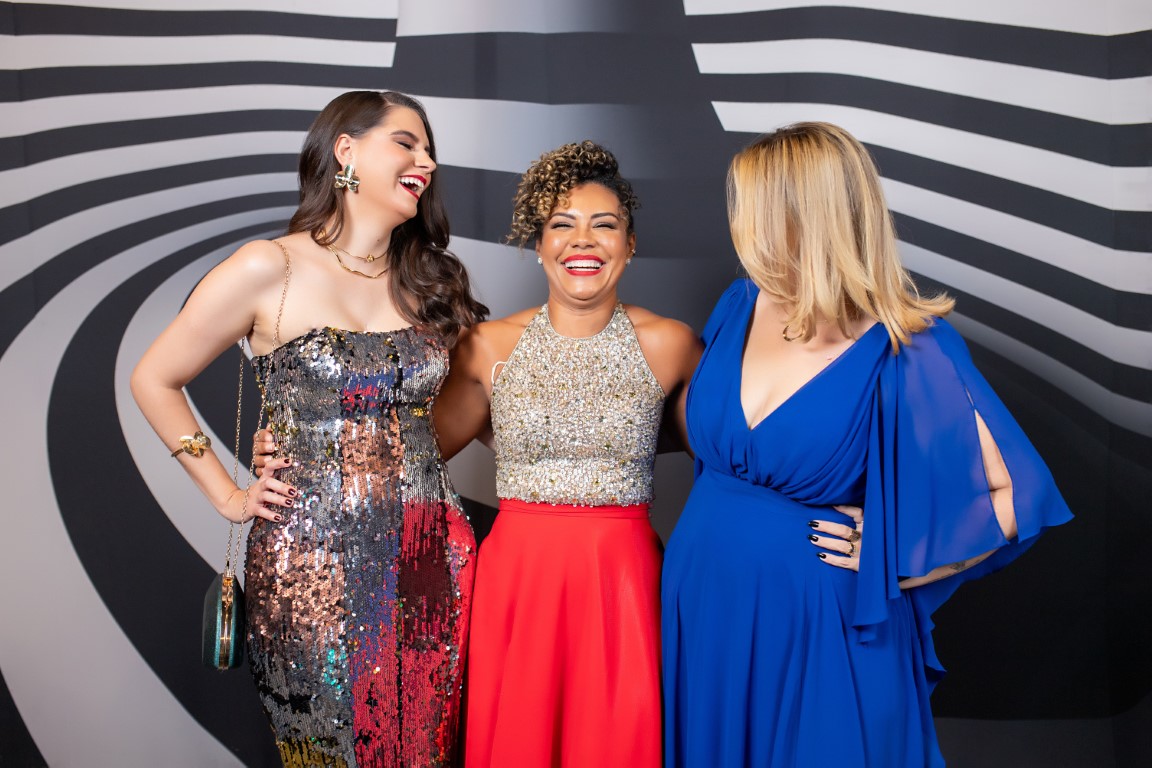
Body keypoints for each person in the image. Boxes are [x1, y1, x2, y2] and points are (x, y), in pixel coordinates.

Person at [660, 122, 1073, 767]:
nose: (741, 226)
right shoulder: (739, 304)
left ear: (810, 215)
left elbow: (1020, 494)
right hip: (702, 602)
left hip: (819, 622)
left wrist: (897, 557)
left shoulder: (907, 343)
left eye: (755, 208)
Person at [132, 90, 487, 767]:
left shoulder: (430, 280)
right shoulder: (270, 266)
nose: (427, 161)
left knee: (423, 754)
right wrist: (228, 494)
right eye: (407, 143)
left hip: (430, 557)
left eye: (430, 149)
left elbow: (449, 417)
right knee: (328, 751)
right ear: (346, 150)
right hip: (309, 564)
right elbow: (154, 378)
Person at [437, 141, 701, 767]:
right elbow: (411, 461)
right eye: (563, 224)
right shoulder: (485, 346)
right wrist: (311, 442)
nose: (583, 240)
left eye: (604, 225)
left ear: (629, 245)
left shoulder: (672, 344)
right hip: (518, 581)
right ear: (540, 244)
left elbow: (737, 458)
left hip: (624, 584)